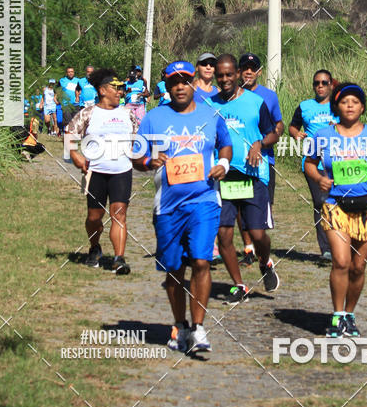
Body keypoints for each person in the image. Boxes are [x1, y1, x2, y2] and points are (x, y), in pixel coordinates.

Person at [133, 60, 232, 355]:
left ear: (193, 84)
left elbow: (226, 145)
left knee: (201, 260)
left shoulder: (211, 115)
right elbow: (135, 156)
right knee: (174, 269)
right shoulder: (153, 118)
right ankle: (180, 325)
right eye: (173, 82)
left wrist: (223, 164)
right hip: (168, 206)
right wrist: (150, 162)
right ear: (166, 86)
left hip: (204, 200)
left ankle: (199, 328)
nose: (179, 87)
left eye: (184, 81)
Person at [304, 83, 367, 337]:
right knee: (341, 262)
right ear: (337, 107)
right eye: (345, 102)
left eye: (355, 102)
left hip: (366, 208)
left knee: (358, 267)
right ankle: (337, 315)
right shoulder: (322, 135)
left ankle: (350, 313)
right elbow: (309, 164)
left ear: (362, 107)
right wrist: (319, 178)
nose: (350, 106)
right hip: (334, 206)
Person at [211, 54, 280, 302]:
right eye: (221, 75)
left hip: (253, 176)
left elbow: (273, 133)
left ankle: (265, 262)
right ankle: (239, 285)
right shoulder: (210, 105)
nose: (225, 79)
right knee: (224, 234)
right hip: (224, 179)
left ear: (238, 74)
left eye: (230, 74)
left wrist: (259, 144)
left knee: (257, 234)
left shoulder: (255, 102)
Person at [66, 71, 136, 275]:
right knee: (94, 217)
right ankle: (95, 247)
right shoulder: (89, 113)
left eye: (121, 88)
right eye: (116, 88)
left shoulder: (127, 113)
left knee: (119, 215)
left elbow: (138, 137)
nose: (120, 92)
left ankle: (119, 258)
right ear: (102, 90)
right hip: (95, 171)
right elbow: (70, 132)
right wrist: (76, 156)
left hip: (122, 171)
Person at [238, 53, 284, 265]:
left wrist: (267, 139)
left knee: (263, 205)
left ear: (259, 71)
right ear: (239, 72)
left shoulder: (269, 96)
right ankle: (248, 248)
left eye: (253, 67)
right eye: (245, 68)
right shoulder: (230, 96)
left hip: (265, 161)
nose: (249, 71)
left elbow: (278, 124)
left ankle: (260, 246)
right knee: (239, 205)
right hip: (237, 162)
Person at [289, 70, 339, 263]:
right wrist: (295, 134)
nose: (320, 86)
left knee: (338, 203)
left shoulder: (339, 106)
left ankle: (341, 243)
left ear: (331, 85)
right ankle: (326, 249)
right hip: (312, 163)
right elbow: (292, 126)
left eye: (324, 82)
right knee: (320, 202)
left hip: (337, 162)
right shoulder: (305, 106)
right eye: (316, 83)